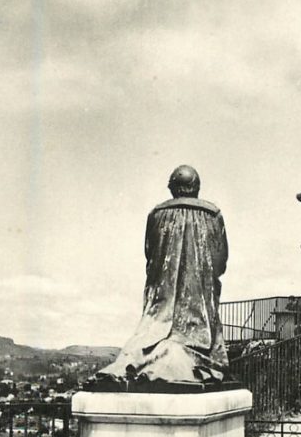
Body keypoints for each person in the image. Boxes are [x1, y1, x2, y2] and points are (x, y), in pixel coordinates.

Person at [96, 165, 230, 388]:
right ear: (196, 187)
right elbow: (220, 260)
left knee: (149, 336)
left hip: (161, 297)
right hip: (199, 300)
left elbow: (149, 252)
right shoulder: (213, 214)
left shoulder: (157, 214)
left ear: (173, 189)